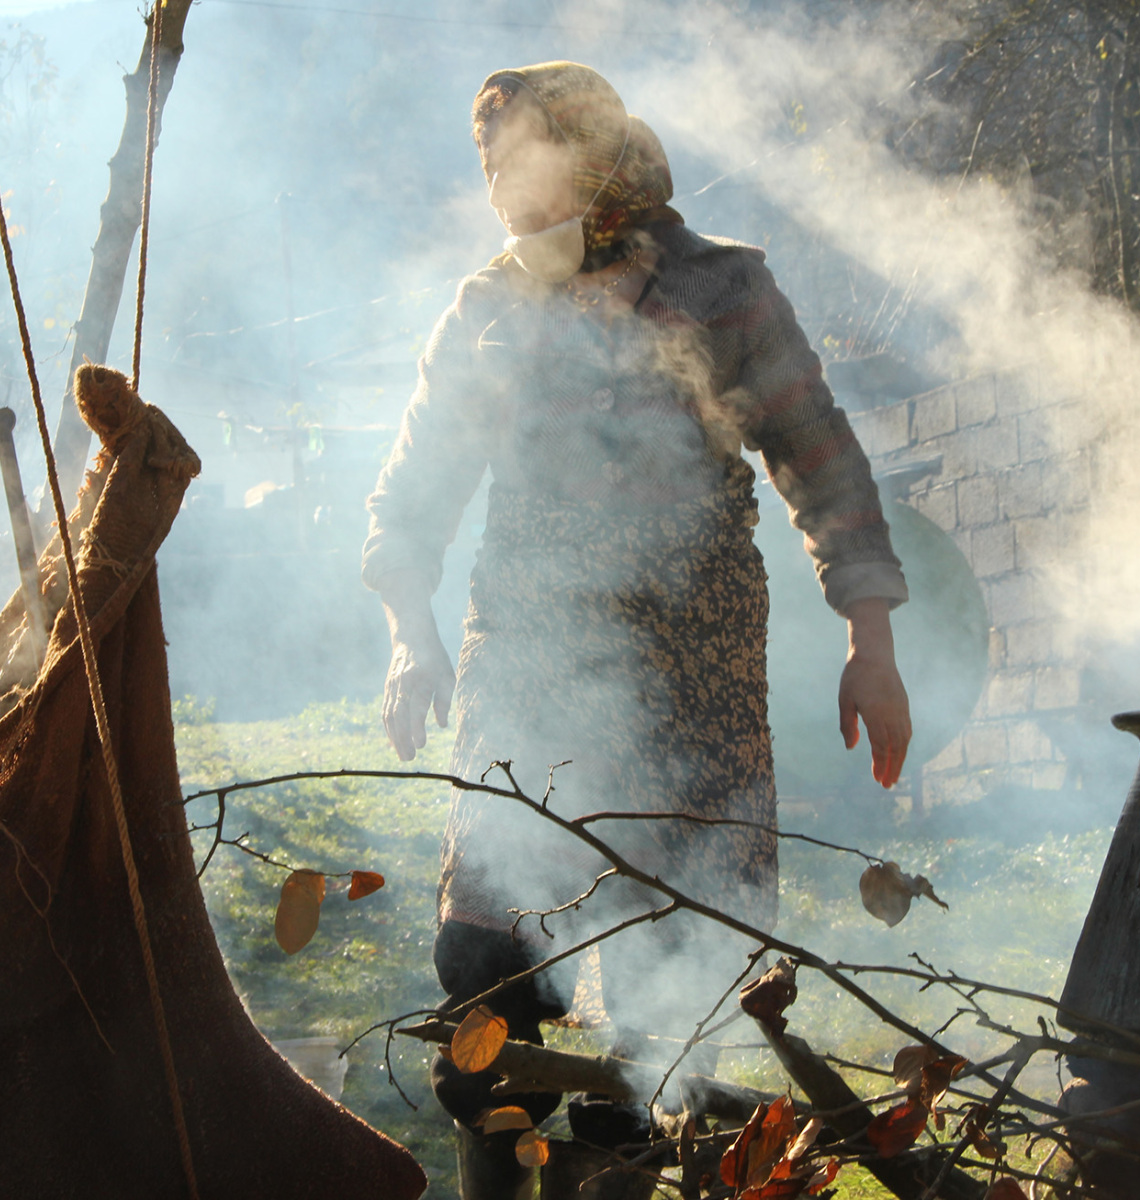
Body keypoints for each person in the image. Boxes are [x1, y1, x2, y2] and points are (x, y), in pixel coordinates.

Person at [362, 61, 912, 1200]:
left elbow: (822, 461)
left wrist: (873, 645)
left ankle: (627, 1172)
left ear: (593, 150)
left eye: (520, 158)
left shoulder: (726, 288)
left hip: (692, 666)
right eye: (489, 168)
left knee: (669, 985)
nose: (502, 189)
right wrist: (412, 633)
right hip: (532, 660)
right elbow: (412, 494)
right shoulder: (490, 308)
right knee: (490, 971)